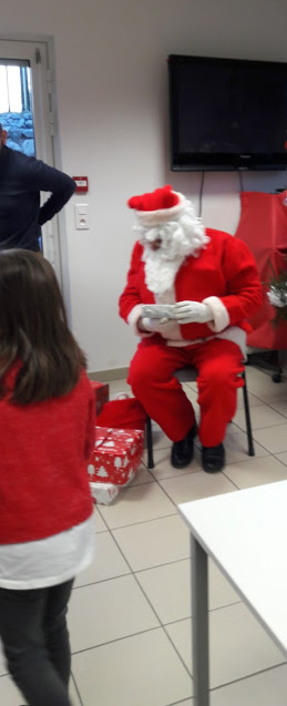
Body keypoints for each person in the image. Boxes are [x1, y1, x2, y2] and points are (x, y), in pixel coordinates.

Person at [0, 249, 96, 706]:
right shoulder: (74, 373)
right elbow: (84, 449)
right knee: (52, 625)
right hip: (72, 531)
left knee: (22, 652)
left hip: (18, 542)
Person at [119, 185, 263, 473]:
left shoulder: (225, 245)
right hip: (163, 341)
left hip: (216, 337)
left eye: (160, 236)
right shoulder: (144, 250)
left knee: (219, 378)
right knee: (141, 377)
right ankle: (182, 433)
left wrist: (210, 310)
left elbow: (252, 295)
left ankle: (212, 441)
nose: (153, 243)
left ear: (180, 226)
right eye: (149, 237)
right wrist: (143, 319)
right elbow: (129, 296)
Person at [0, 123, 76, 251]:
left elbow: (67, 186)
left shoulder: (25, 168)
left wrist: (37, 221)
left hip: (22, 259)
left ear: (3, 137)